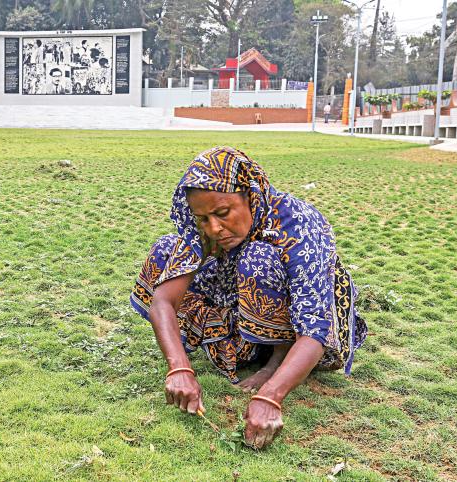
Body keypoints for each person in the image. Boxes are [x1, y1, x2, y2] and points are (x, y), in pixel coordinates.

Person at [130, 146, 367, 450]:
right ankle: (244, 349)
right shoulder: (204, 229)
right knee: (166, 250)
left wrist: (271, 396)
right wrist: (179, 368)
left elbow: (314, 327)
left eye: (222, 213)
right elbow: (163, 301)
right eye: (203, 218)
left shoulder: (297, 222)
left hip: (306, 323)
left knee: (257, 258)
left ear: (250, 195)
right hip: (242, 305)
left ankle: (275, 361)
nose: (214, 228)